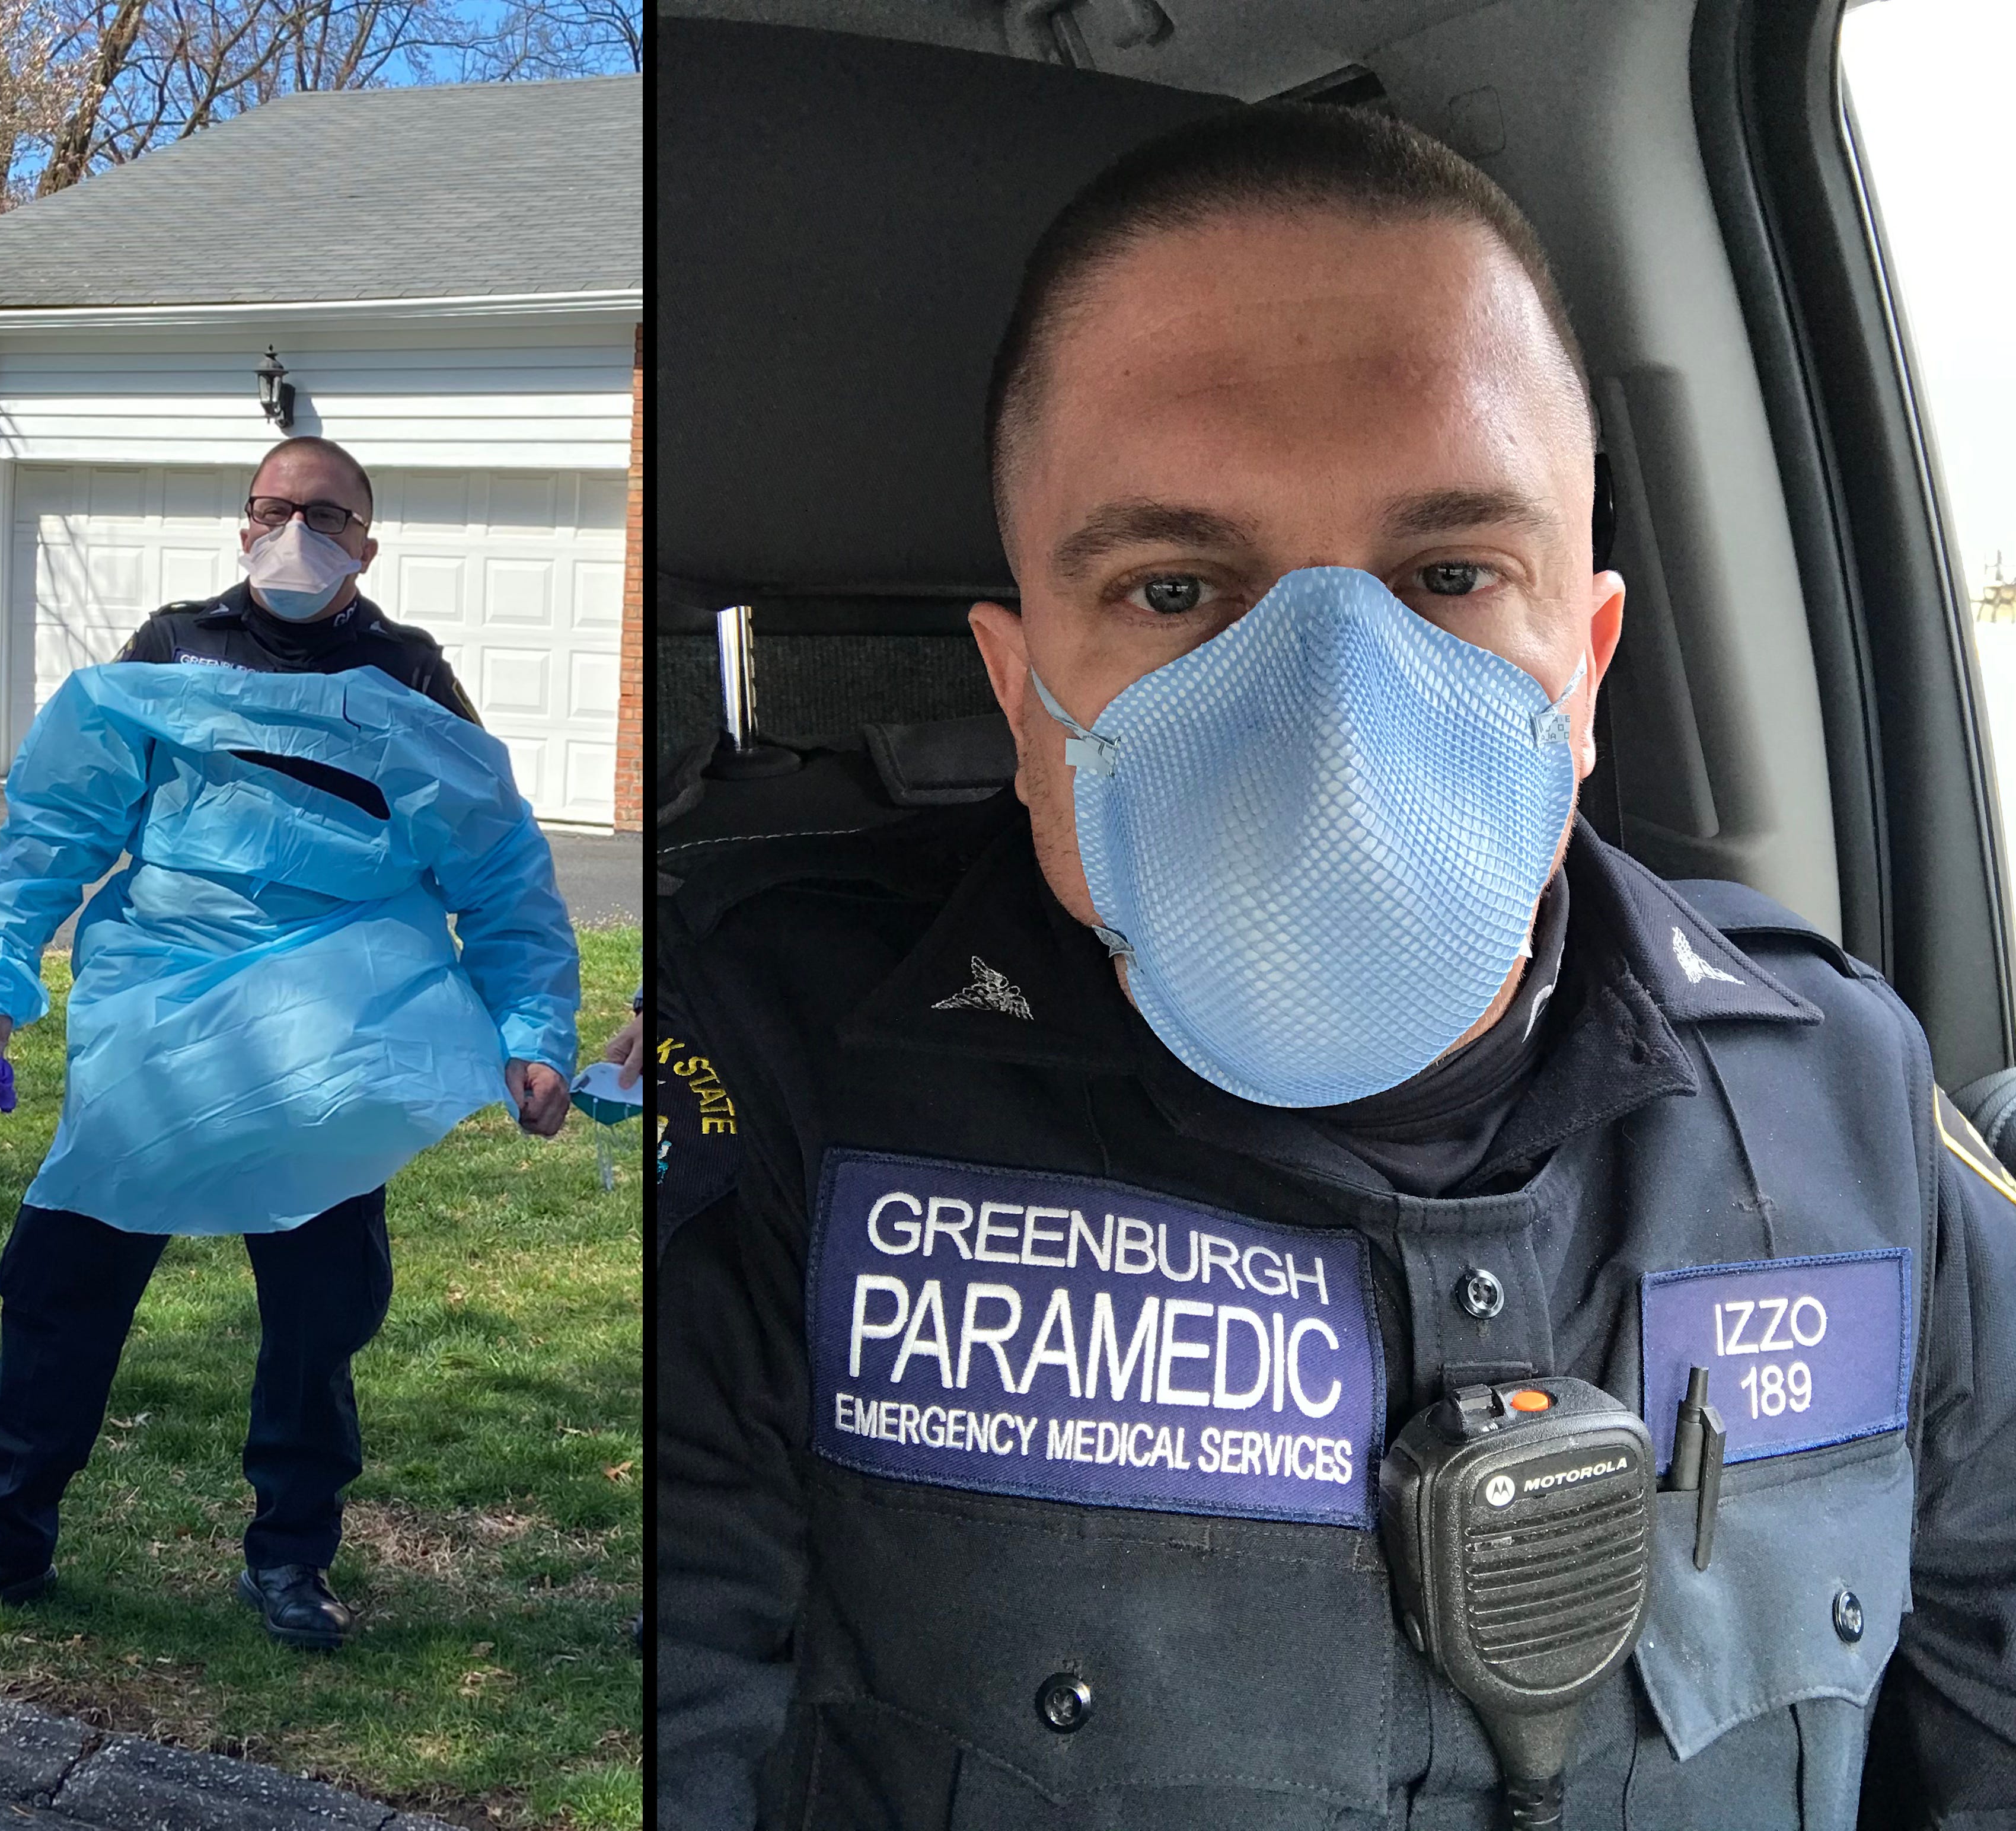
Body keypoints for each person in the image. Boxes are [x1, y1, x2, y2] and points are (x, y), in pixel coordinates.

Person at [655, 106, 2016, 1827]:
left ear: (1581, 672)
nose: (1326, 722)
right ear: (1021, 698)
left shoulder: (1848, 1096)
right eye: (1173, 590)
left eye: (1448, 575)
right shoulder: (784, 1099)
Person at [0, 435, 580, 1652]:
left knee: (319, 1313)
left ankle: (289, 1560)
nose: (290, 531)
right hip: (164, 1023)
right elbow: (59, 824)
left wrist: (533, 1029)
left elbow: (498, 871)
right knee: (60, 1287)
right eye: (268, 508)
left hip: (328, 1042)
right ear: (241, 522)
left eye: (321, 513)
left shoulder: (410, 676)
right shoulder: (172, 647)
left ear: (368, 537)